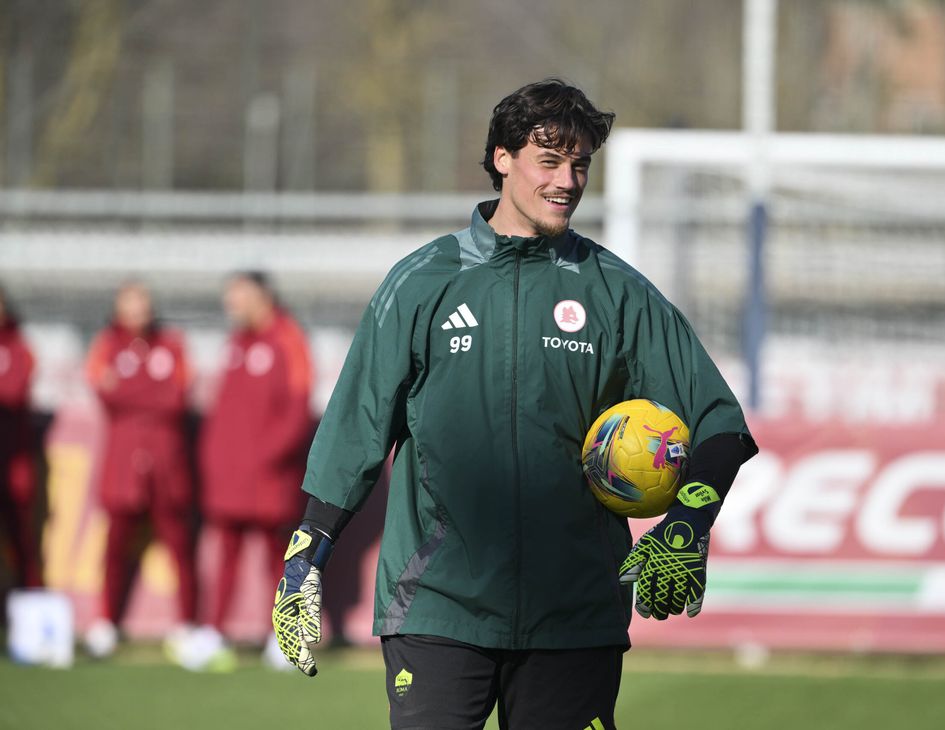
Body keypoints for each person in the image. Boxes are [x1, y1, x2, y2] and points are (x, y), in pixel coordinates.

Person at [272, 79, 758, 729]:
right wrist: (305, 556)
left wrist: (689, 523)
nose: (568, 180)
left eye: (581, 163)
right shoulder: (422, 284)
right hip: (438, 608)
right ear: (502, 157)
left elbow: (718, 422)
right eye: (550, 160)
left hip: (575, 613)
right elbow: (355, 432)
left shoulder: (618, 293)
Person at [200, 271, 313, 668]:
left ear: (261, 296)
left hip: (269, 478)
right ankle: (212, 633)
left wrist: (267, 459)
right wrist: (216, 459)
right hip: (231, 479)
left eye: (238, 295)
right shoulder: (235, 344)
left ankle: (282, 640)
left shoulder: (288, 338)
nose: (231, 304)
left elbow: (298, 412)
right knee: (225, 556)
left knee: (276, 559)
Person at [83, 282, 198, 660]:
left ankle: (186, 625)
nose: (138, 313)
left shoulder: (172, 345)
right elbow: (102, 389)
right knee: (114, 547)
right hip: (123, 467)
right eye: (130, 306)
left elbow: (178, 396)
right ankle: (105, 622)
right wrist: (150, 393)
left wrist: (130, 392)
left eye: (143, 305)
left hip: (166, 467)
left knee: (180, 547)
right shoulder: (106, 345)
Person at [0, 285, 42, 591]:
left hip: (13, 461)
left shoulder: (20, 348)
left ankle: (27, 603)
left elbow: (14, 392)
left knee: (20, 540)